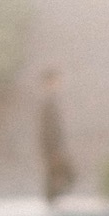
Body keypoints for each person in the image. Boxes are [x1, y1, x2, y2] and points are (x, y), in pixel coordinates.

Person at [37, 67, 74, 202]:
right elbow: (48, 130)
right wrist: (54, 149)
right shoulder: (48, 103)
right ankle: (52, 200)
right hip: (52, 146)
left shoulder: (51, 101)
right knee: (58, 173)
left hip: (53, 146)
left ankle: (52, 200)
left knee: (54, 175)